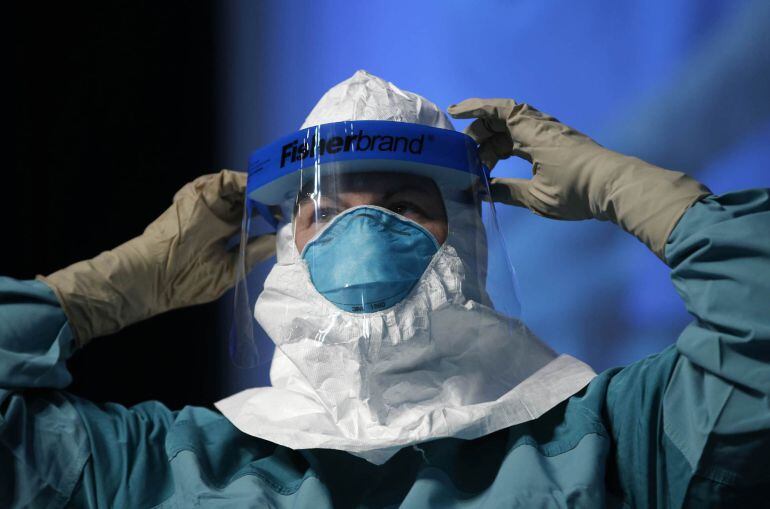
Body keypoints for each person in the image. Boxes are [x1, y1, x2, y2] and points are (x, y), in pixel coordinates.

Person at [1, 70, 768, 507]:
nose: (362, 235)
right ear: (289, 251)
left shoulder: (604, 439)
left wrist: (619, 185)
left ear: (464, 240)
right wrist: (115, 285)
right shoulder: (169, 463)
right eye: (326, 212)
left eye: (402, 206)